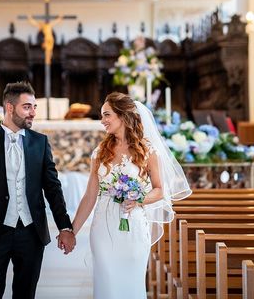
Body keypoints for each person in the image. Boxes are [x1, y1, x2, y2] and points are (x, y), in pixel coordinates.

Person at [70, 92, 191, 298]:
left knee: (131, 284)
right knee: (106, 283)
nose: (102, 121)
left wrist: (139, 199)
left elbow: (160, 189)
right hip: (103, 228)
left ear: (123, 116)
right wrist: (71, 231)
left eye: (107, 115)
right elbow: (90, 196)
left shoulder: (147, 150)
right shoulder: (100, 152)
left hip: (134, 225)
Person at [0, 81, 76, 299]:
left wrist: (65, 227)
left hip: (31, 232)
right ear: (9, 107)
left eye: (34, 107)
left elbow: (53, 188)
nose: (33, 112)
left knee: (25, 294)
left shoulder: (40, 143)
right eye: (27, 107)